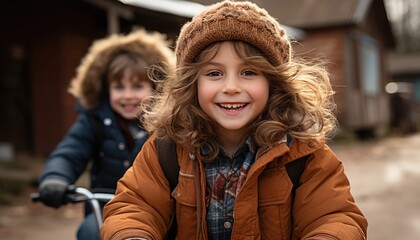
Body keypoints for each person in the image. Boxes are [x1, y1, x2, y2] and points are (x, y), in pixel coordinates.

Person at [101, 1, 368, 239]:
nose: (231, 87)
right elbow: (135, 205)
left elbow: (335, 215)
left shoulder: (304, 153)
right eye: (215, 73)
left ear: (274, 82)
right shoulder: (167, 149)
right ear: (191, 83)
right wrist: (131, 234)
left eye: (249, 72)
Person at [37, 29, 174, 240]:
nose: (127, 96)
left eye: (137, 86)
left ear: (157, 87)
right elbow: (70, 151)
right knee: (91, 231)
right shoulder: (94, 121)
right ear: (104, 89)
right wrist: (56, 177)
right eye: (119, 87)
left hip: (157, 208)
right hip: (106, 205)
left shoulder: (167, 124)